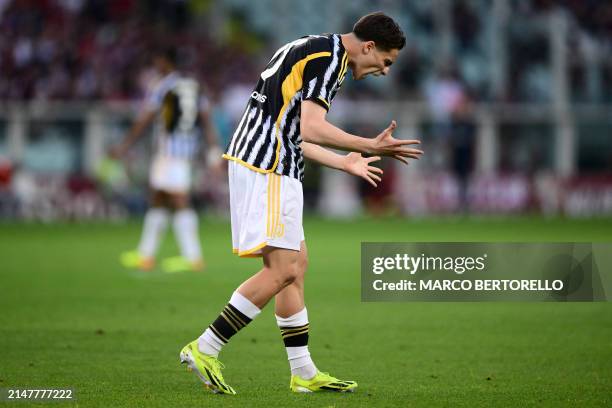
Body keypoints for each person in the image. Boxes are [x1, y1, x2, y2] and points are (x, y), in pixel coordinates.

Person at [180, 12, 422, 394]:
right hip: (270, 166)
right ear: (369, 47)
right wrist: (368, 145)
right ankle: (206, 347)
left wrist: (343, 161)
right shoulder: (331, 60)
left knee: (296, 265)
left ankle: (303, 372)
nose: (385, 70)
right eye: (385, 62)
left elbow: (295, 130)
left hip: (263, 161)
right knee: (282, 269)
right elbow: (310, 128)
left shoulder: (313, 47)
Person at [111, 48, 221, 273]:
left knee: (179, 198)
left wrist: (124, 145)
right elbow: (206, 119)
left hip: (169, 151)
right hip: (186, 149)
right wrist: (212, 149)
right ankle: (146, 255)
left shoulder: (163, 86)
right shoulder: (194, 86)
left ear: (165, 62)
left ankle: (193, 257)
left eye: (157, 61)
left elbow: (146, 116)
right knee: (159, 198)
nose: (155, 66)